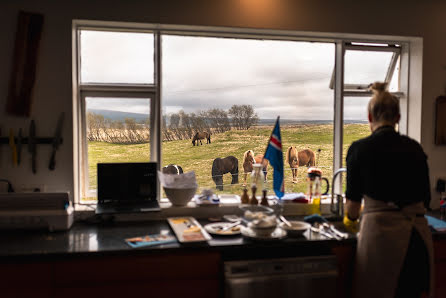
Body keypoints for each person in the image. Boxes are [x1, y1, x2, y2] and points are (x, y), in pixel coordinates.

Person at [344, 82, 434, 298]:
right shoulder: (415, 148)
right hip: (417, 240)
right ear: (398, 118)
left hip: (381, 243)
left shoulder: (359, 149)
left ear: (369, 118)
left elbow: (352, 210)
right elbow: (427, 199)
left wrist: (349, 219)